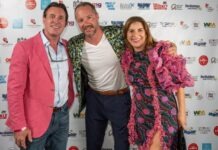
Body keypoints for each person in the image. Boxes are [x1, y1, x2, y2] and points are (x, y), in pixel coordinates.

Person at [68, 2, 177, 150]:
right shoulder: (74, 44)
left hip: (119, 99)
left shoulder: (117, 33)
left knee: (122, 145)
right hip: (94, 99)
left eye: (89, 17)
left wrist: (167, 48)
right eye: (81, 20)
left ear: (96, 16)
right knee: (92, 145)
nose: (86, 23)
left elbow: (141, 41)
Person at [6, 2, 74, 150]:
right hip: (34, 120)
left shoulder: (67, 47)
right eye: (52, 16)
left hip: (62, 116)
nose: (56, 21)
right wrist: (19, 126)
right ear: (44, 19)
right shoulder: (24, 48)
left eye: (61, 18)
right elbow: (14, 90)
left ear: (65, 23)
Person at [121, 16, 194, 150]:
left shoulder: (161, 51)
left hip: (163, 112)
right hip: (141, 115)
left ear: (146, 32)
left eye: (140, 30)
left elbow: (179, 84)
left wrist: (182, 113)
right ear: (126, 34)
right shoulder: (127, 57)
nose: (135, 35)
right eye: (131, 31)